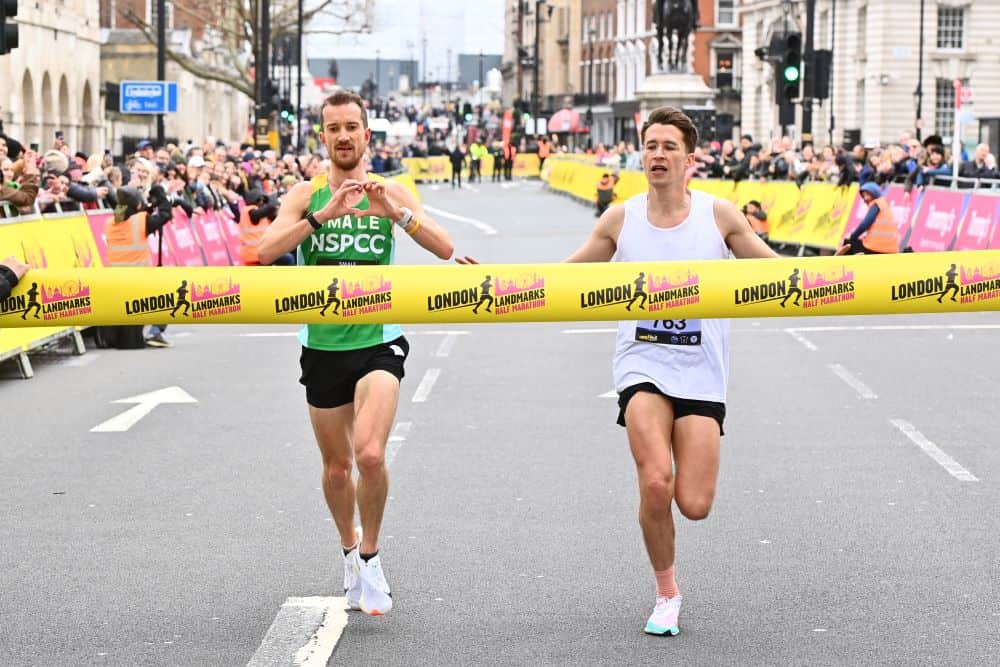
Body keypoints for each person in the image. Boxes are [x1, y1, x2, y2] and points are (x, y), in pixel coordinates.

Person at [458, 106, 778, 636]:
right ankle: (666, 593)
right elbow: (562, 277)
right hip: (642, 363)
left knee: (693, 504)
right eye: (650, 145)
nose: (658, 154)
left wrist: (845, 271)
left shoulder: (719, 217)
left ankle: (671, 548)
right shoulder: (620, 219)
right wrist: (497, 278)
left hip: (701, 370)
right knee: (656, 482)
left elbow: (773, 270)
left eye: (669, 147)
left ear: (690, 159)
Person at [256, 90, 454, 617]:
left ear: (367, 134)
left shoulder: (391, 189)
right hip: (322, 343)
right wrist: (322, 217)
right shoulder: (305, 194)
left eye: (351, 127)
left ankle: (371, 557)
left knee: (370, 453)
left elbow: (444, 246)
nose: (343, 136)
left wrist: (396, 213)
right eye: (333, 128)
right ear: (323, 137)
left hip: (378, 338)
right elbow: (265, 251)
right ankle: (348, 548)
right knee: (339, 468)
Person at [835, 182, 899, 255]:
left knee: (848, 244)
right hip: (891, 249)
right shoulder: (884, 205)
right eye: (863, 195)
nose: (865, 198)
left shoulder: (877, 204)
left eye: (867, 194)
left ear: (874, 194)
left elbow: (865, 224)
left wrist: (852, 236)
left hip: (876, 247)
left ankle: (844, 266)